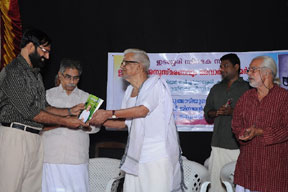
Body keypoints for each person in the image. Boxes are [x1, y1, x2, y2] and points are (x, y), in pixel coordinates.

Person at [0, 28, 88, 192]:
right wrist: (65, 122)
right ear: (30, 46)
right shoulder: (13, 72)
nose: (47, 56)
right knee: (9, 188)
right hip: (16, 137)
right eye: (44, 51)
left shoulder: (36, 74)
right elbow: (31, 112)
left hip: (36, 138)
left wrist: (70, 111)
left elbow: (44, 107)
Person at [88, 48, 184, 192]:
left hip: (156, 156)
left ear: (139, 65)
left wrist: (108, 113)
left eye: (125, 62)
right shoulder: (129, 91)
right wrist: (96, 120)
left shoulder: (155, 85)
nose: (122, 66)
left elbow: (142, 111)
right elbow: (126, 123)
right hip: (135, 157)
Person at [41, 58, 99, 192]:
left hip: (77, 158)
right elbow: (38, 122)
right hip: (51, 157)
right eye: (68, 77)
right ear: (60, 75)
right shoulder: (46, 96)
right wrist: (67, 119)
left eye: (76, 78)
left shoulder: (87, 98)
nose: (72, 82)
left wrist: (87, 124)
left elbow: (96, 128)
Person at [232, 56, 288, 192]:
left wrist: (260, 132)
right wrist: (243, 133)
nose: (249, 73)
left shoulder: (283, 97)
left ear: (267, 73)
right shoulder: (246, 97)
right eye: (249, 70)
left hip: (272, 172)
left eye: (253, 70)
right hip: (247, 169)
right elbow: (235, 124)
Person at [203, 53, 250, 192]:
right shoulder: (216, 89)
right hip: (218, 144)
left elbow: (252, 115)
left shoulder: (247, 89)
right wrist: (215, 112)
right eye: (221, 66)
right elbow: (207, 111)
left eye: (226, 66)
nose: (222, 69)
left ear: (236, 67)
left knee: (237, 185)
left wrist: (232, 112)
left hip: (239, 146)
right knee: (216, 185)